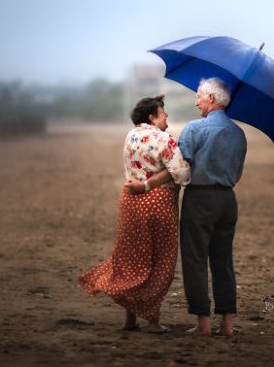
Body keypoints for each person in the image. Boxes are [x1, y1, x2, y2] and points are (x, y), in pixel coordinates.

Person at [79, 95, 190, 333]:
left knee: (133, 260)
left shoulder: (130, 136)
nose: (167, 116)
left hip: (130, 201)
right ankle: (153, 321)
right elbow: (182, 175)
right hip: (159, 202)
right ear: (152, 117)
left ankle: (130, 320)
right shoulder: (166, 139)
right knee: (159, 261)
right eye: (163, 112)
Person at [178, 77, 247, 336]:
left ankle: (202, 324)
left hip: (200, 199)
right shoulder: (239, 134)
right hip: (227, 200)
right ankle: (227, 325)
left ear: (210, 99)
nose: (196, 101)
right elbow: (237, 174)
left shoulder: (194, 129)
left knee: (195, 260)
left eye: (198, 96)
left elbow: (181, 169)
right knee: (223, 261)